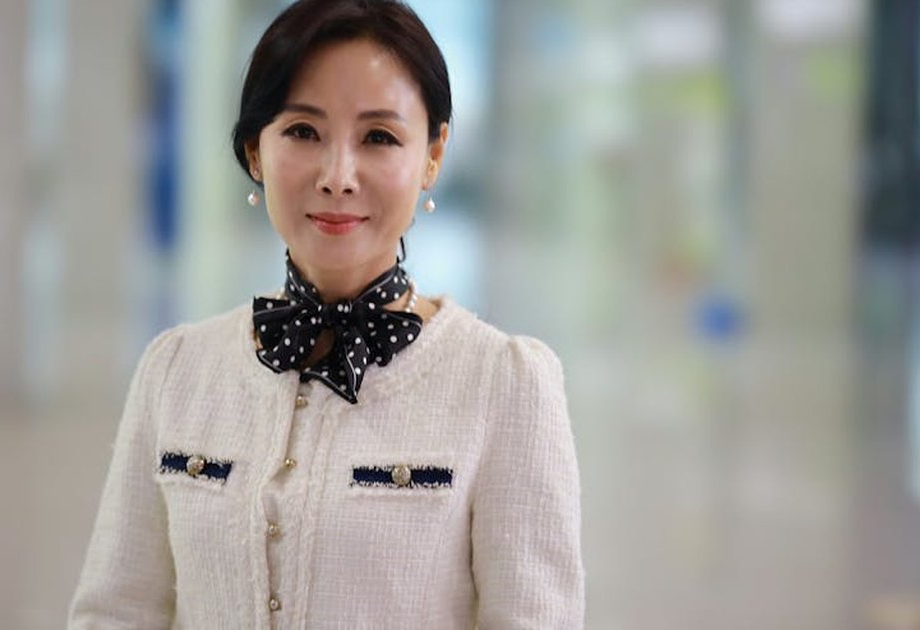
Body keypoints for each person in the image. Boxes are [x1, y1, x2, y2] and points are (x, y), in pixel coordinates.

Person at [68, 0, 583, 627]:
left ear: (433, 154)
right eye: (304, 132)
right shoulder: (176, 371)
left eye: (379, 137)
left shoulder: (504, 384)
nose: (339, 176)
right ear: (256, 150)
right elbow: (115, 612)